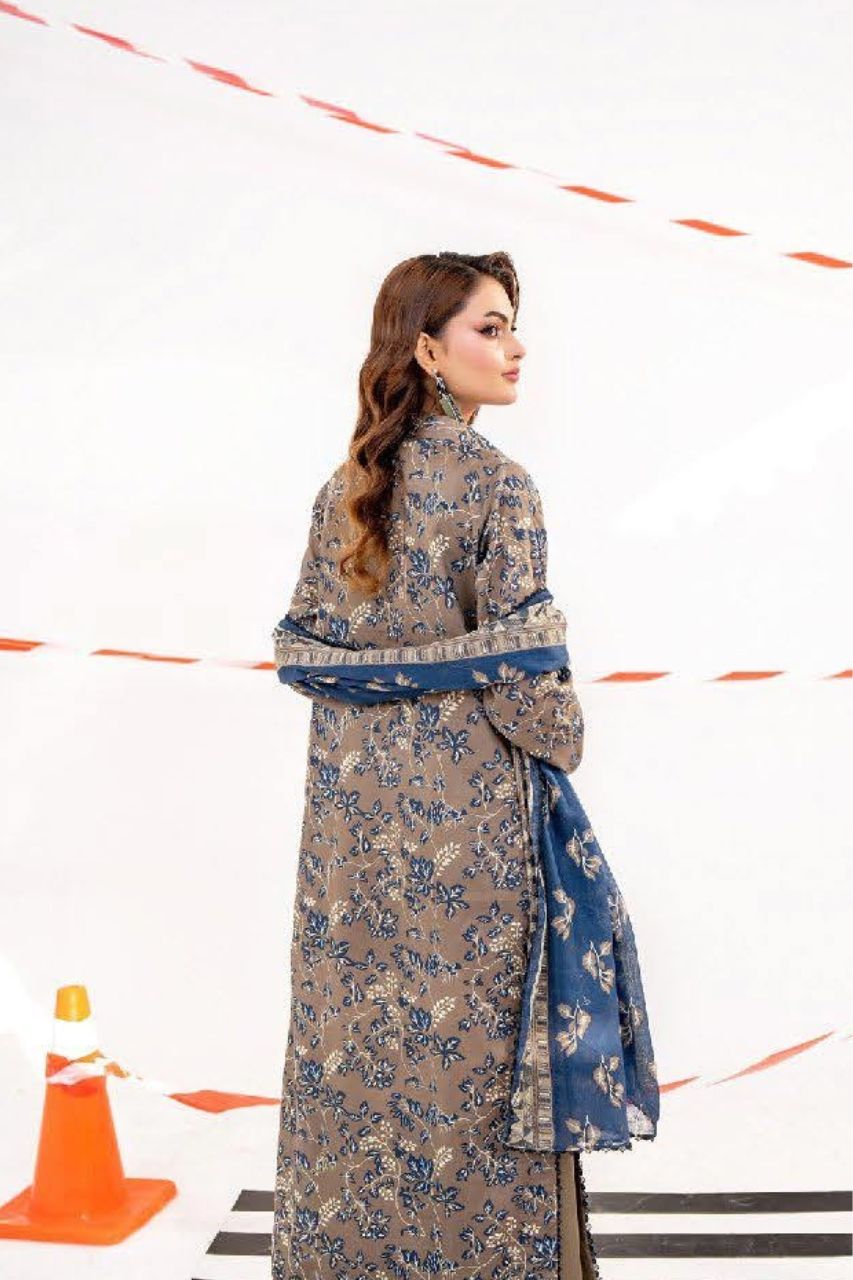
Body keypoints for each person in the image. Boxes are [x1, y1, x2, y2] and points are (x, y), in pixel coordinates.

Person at [270, 251, 647, 1279]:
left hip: (348, 838)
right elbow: (530, 690)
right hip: (468, 832)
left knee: (354, 1057)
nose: (516, 345)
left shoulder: (345, 491)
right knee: (474, 1069)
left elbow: (301, 651)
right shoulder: (496, 485)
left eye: (511, 324)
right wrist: (561, 728)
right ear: (427, 350)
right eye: (490, 326)